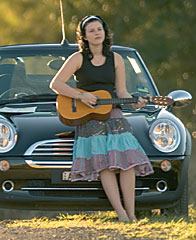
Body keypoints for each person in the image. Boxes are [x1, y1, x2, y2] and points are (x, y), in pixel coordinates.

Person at [50, 15, 154, 222]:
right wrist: (81, 95)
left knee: (128, 162)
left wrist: (136, 102)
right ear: (85, 37)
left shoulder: (116, 59)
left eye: (99, 29)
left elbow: (122, 92)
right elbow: (56, 84)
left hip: (113, 113)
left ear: (105, 33)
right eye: (91, 31)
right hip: (89, 116)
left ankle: (132, 213)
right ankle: (121, 213)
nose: (97, 33)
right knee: (104, 165)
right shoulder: (78, 58)